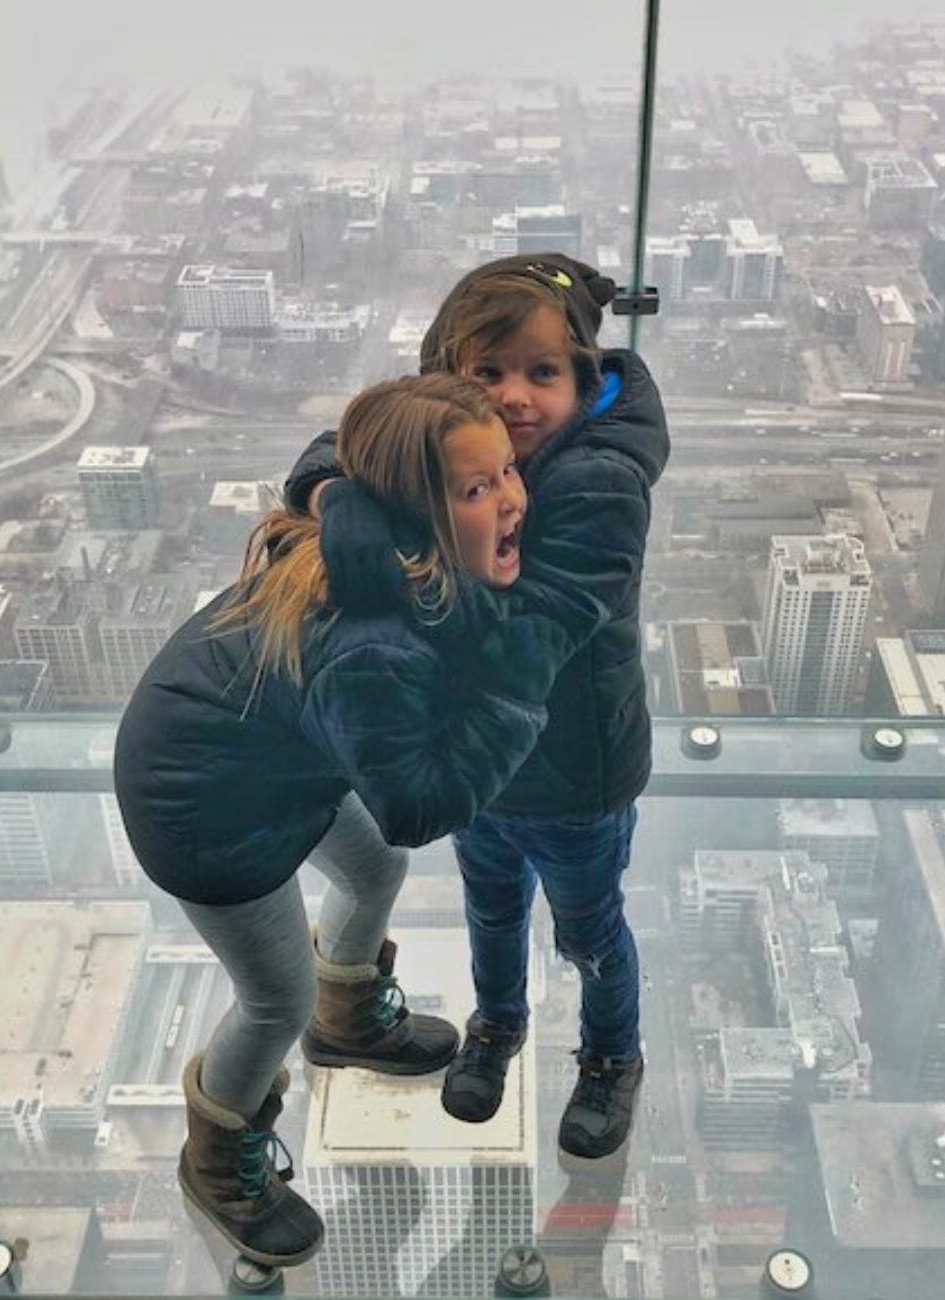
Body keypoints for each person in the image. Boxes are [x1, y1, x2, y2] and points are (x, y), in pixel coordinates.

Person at [114, 374, 603, 1266]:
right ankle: (217, 1162)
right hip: (206, 816)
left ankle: (347, 1022)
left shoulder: (374, 534)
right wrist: (515, 689)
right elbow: (417, 804)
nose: (512, 498)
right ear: (416, 509)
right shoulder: (369, 642)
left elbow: (346, 447)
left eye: (505, 472)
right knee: (273, 1001)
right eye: (476, 488)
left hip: (263, 766)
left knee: (373, 870)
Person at [285, 254, 669, 1160]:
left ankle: (614, 1055)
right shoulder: (451, 439)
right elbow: (338, 451)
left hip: (577, 772)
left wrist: (380, 555)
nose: (512, 397)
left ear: (586, 378)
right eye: (485, 373)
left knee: (592, 931)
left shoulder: (599, 486)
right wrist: (338, 494)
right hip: (475, 765)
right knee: (490, 911)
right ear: (446, 375)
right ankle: (498, 1025)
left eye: (543, 373)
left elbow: (523, 640)